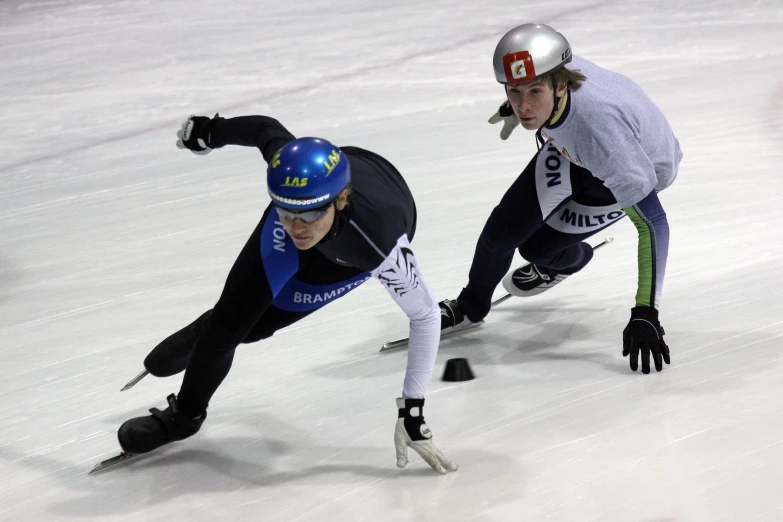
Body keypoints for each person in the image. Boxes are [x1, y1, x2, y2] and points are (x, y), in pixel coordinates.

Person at [116, 114, 457, 474]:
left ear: (341, 199)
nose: (297, 227)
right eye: (285, 211)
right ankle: (185, 417)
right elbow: (265, 130)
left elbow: (425, 315)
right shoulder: (293, 182)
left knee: (258, 325)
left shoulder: (378, 242)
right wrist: (208, 132)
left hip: (346, 256)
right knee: (228, 323)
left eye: (309, 214)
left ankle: (207, 333)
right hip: (322, 195)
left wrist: (412, 410)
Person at [439, 23, 681, 374]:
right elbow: (530, 83)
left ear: (561, 85)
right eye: (513, 92)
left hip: (625, 164)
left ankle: (569, 260)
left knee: (536, 250)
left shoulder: (603, 139)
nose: (523, 106)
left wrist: (646, 311)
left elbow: (654, 225)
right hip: (576, 147)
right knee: (502, 231)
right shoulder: (551, 70)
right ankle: (471, 307)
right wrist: (527, 100)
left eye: (534, 93)